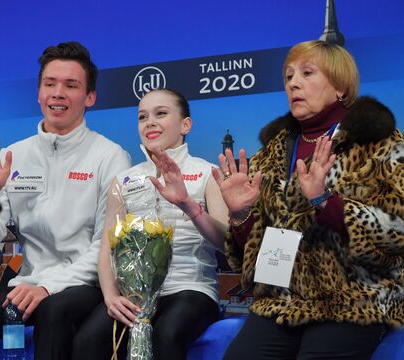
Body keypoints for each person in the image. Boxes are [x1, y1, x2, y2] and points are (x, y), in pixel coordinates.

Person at [0, 41, 131, 359]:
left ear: (90, 97)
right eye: (50, 84)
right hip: (25, 286)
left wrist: (47, 286)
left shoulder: (111, 157)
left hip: (84, 286)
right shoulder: (13, 155)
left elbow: (106, 249)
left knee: (54, 310)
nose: (58, 93)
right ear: (38, 93)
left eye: (71, 85)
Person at [215, 40, 404, 360]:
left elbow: (398, 230)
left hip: (353, 300)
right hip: (280, 300)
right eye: (288, 77)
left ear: (341, 86)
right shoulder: (268, 156)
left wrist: (325, 202)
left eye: (307, 73)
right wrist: (241, 215)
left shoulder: (381, 143)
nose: (294, 83)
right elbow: (252, 252)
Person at [74, 88, 229, 359]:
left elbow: (228, 243)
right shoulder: (123, 182)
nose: (150, 122)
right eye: (142, 116)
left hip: (190, 289)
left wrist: (188, 206)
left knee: (166, 334)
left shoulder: (207, 174)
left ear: (186, 125)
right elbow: (107, 248)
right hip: (133, 294)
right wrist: (111, 297)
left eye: (161, 113)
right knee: (88, 340)